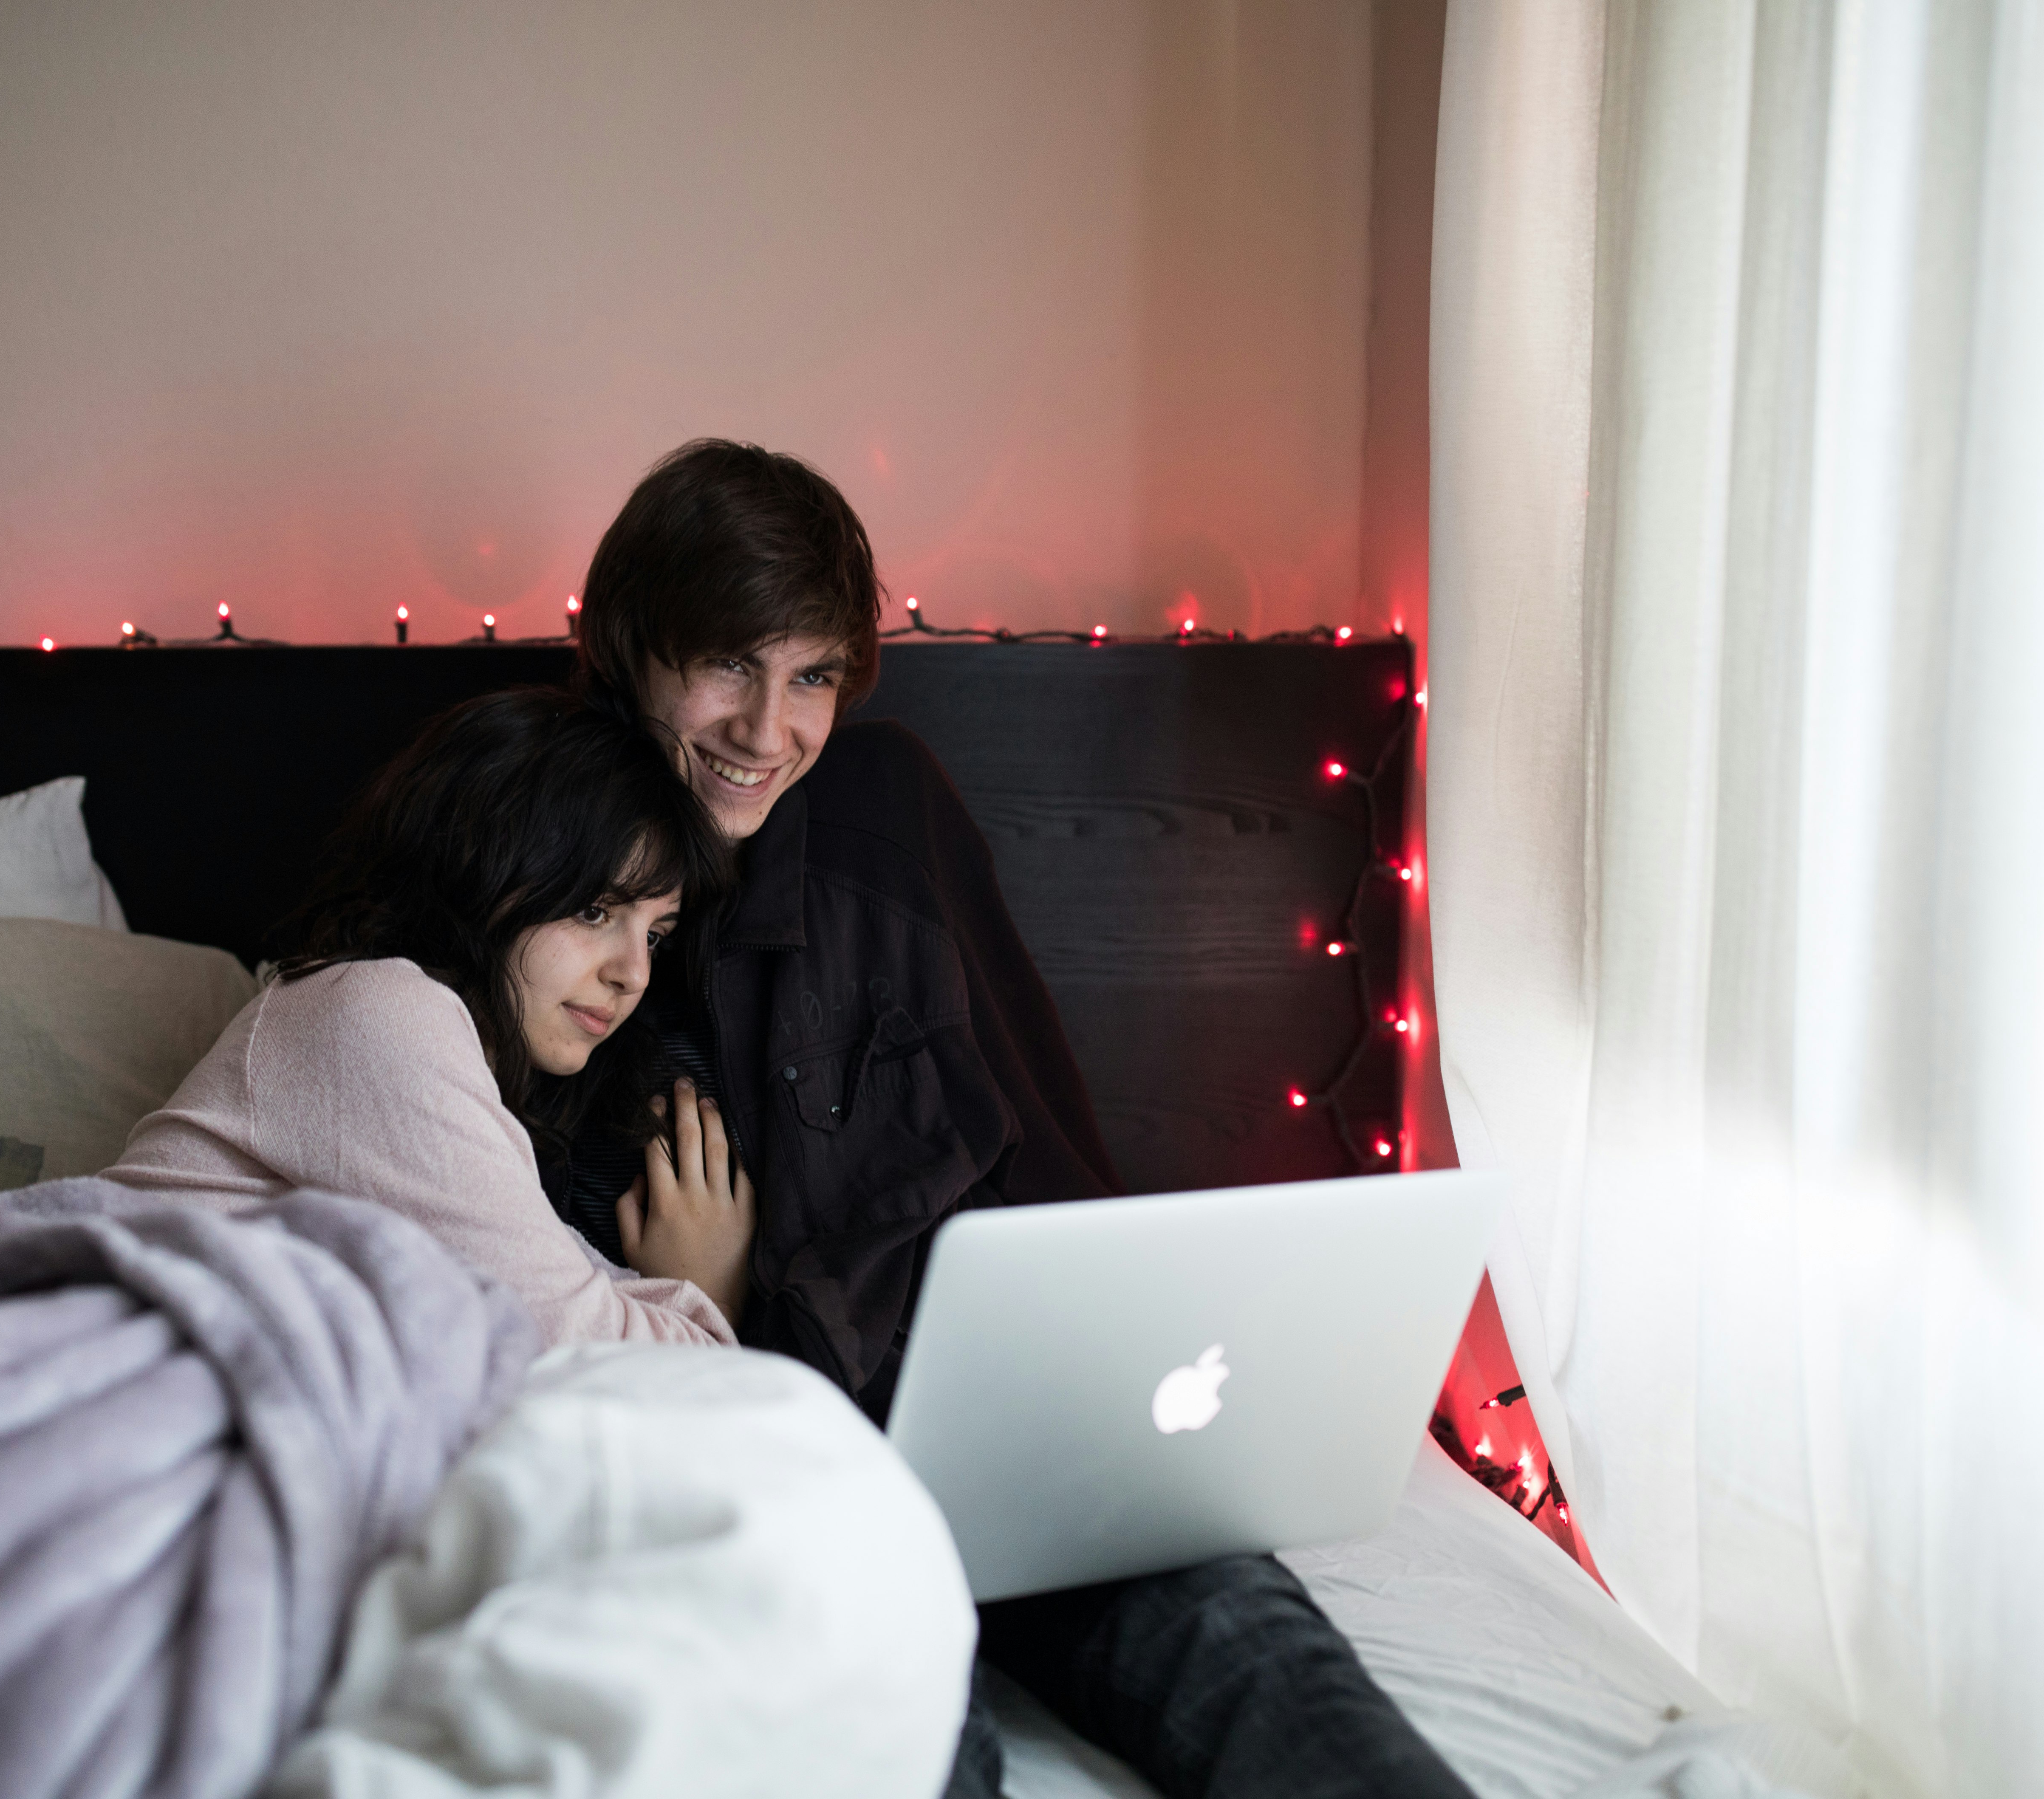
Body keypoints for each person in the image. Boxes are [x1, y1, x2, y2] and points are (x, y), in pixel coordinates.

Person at [563, 439, 1478, 1799]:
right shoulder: (553, 864)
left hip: (1021, 1436)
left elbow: (1044, 1152)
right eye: (726, 665)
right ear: (631, 652)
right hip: (788, 1466)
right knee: (909, 1738)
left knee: (1268, 1668)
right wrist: (701, 1306)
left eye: (809, 673)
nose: (768, 730)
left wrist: (1131, 1390)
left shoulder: (885, 811)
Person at [107, 685, 754, 1348]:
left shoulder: (454, 1064)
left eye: (654, 934)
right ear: (482, 870)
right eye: (595, 912)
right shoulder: (375, 1010)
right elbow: (571, 1340)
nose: (634, 973)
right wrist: (706, 1297)